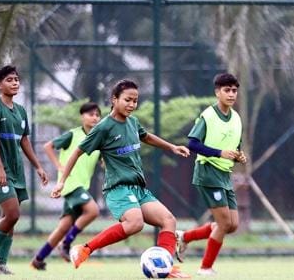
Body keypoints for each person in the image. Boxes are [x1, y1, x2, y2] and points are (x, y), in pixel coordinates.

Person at [51, 79, 192, 278]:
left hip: (138, 188)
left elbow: (146, 137)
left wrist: (172, 147)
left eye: (135, 101)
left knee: (168, 220)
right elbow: (77, 152)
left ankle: (165, 268)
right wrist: (61, 181)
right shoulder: (103, 128)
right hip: (118, 189)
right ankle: (84, 249)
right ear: (114, 99)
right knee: (135, 223)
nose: (132, 105)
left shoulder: (133, 122)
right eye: (127, 100)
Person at [175, 73, 247, 276]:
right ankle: (205, 267)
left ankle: (185, 236)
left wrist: (239, 157)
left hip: (224, 174)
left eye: (234, 90)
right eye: (227, 90)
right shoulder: (208, 115)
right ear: (217, 92)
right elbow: (193, 144)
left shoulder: (236, 118)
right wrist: (219, 153)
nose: (231, 94)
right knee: (224, 224)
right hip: (208, 172)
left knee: (232, 225)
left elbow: (234, 147)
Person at [0, 65, 49, 275]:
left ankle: (1, 263)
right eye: (10, 80)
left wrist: (38, 166)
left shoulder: (20, 111)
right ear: (0, 85)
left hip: (16, 172)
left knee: (9, 218)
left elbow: (24, 141)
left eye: (17, 79)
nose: (15, 83)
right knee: (13, 214)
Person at [31, 101, 102, 270]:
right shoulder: (73, 135)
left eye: (97, 115)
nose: (94, 117)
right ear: (82, 117)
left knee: (64, 226)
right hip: (70, 184)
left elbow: (103, 161)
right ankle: (66, 244)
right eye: (90, 114)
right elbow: (48, 146)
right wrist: (58, 167)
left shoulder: (98, 140)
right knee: (93, 210)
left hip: (81, 187)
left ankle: (38, 259)